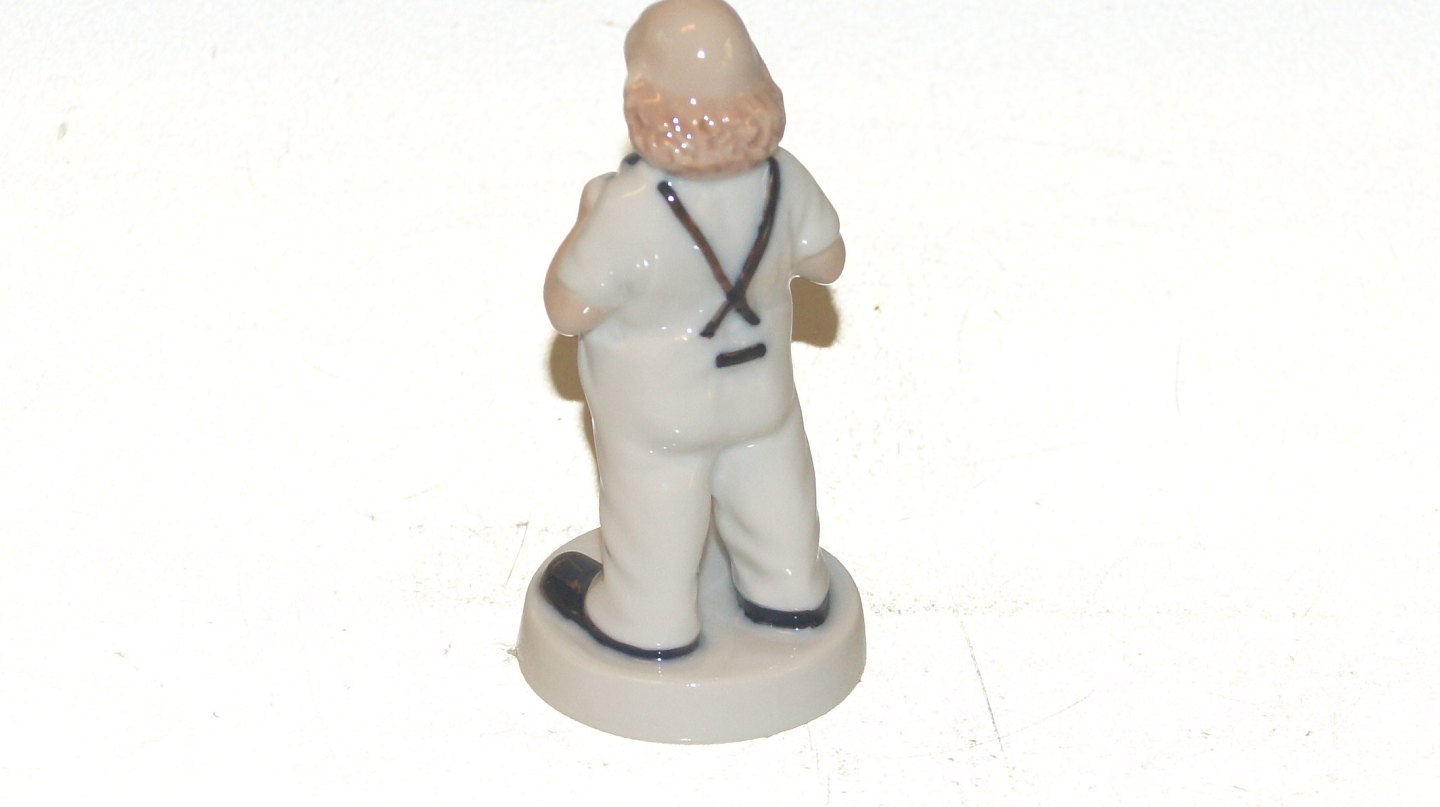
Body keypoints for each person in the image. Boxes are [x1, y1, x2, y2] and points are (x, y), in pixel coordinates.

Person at [541, 0, 847, 659]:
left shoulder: (628, 208)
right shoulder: (784, 177)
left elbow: (568, 310)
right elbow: (828, 262)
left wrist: (589, 218)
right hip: (760, 394)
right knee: (772, 488)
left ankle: (644, 619)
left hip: (659, 415)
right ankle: (789, 590)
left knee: (654, 512)